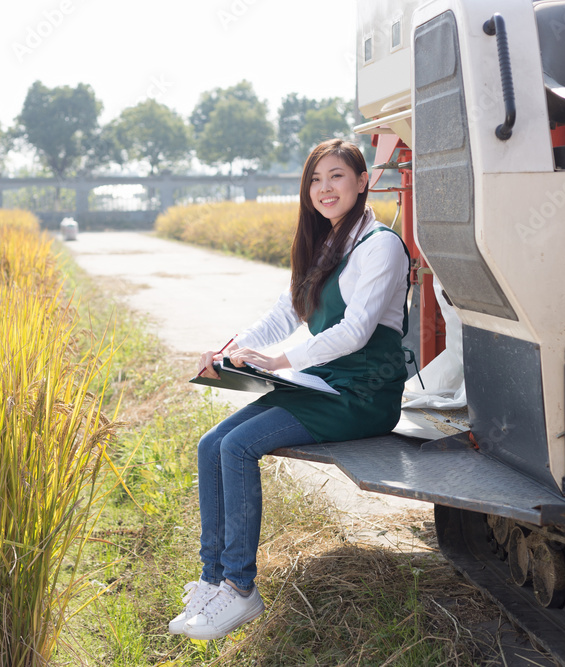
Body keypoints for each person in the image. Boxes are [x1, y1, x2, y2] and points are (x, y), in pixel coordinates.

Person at [169, 139, 410, 640]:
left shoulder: (380, 245)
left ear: (363, 182)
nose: (325, 188)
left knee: (237, 447)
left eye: (337, 176)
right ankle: (212, 579)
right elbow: (283, 314)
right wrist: (227, 352)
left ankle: (240, 588)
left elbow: (356, 331)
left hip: (362, 394)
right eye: (316, 180)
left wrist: (282, 361)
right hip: (322, 384)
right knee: (211, 442)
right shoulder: (326, 245)